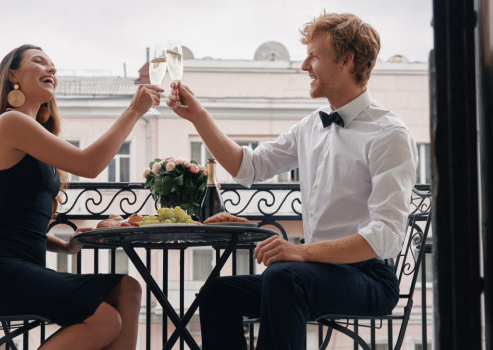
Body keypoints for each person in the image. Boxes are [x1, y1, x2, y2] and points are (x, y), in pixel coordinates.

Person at [166, 12, 418, 350]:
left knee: (284, 276)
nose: (304, 66)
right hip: (312, 272)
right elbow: (248, 167)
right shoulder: (311, 126)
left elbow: (385, 236)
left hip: (369, 277)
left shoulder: (389, 134)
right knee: (217, 294)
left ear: (346, 60)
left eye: (314, 56)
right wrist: (197, 116)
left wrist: (301, 252)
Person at [0, 44, 163, 350]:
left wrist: (66, 246)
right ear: (12, 75)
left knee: (127, 289)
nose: (51, 69)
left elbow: (19, 220)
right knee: (106, 320)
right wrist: (134, 111)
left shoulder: (32, 131)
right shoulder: (11, 122)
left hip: (19, 266)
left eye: (53, 65)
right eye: (40, 62)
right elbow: (89, 165)